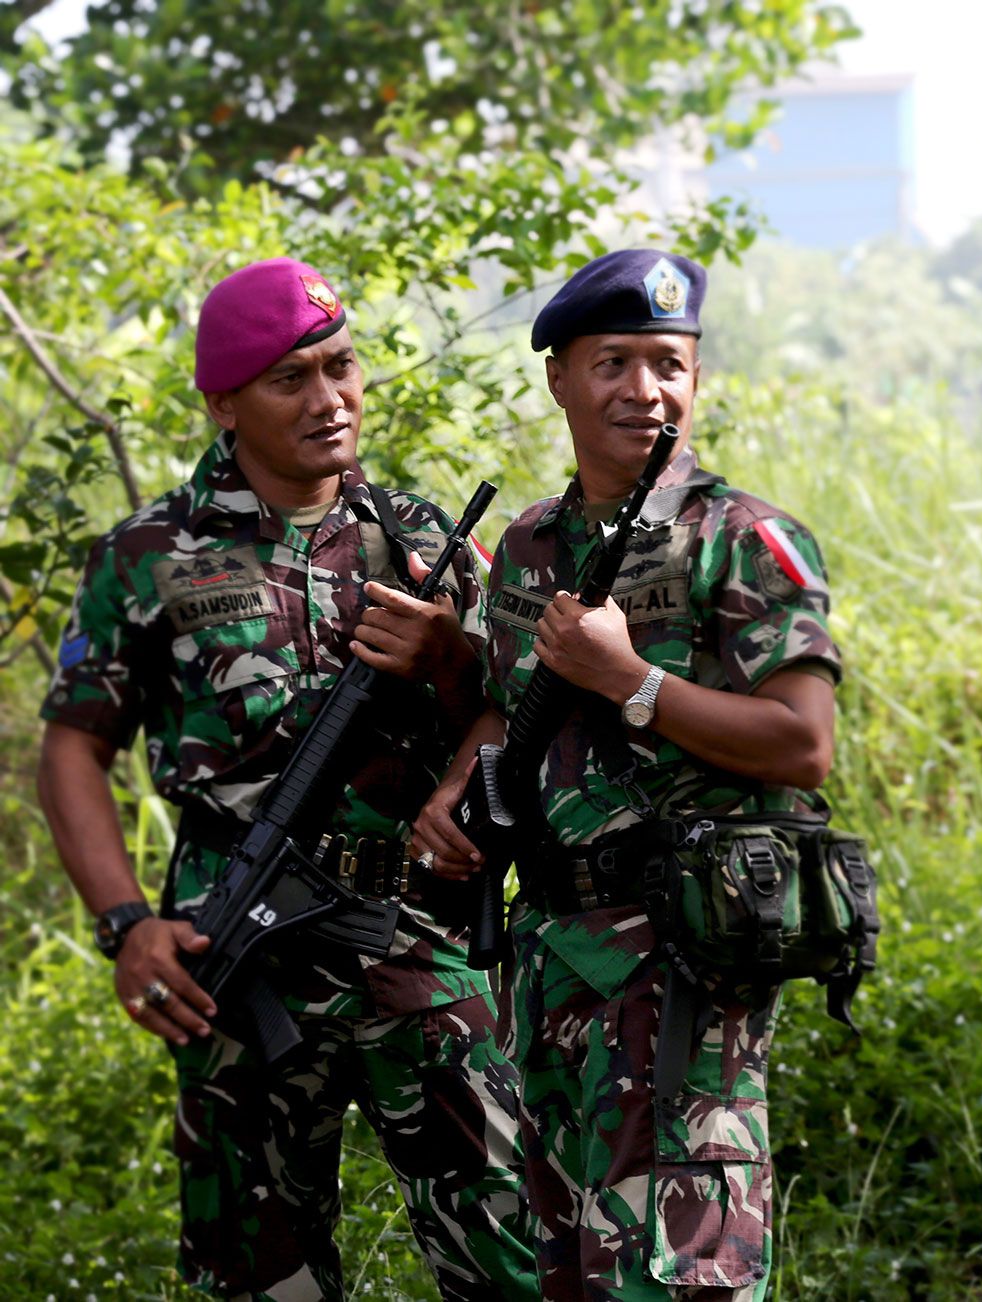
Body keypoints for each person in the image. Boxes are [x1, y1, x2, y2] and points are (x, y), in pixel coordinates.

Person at [37, 258, 539, 1300]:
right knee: (261, 1275)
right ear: (222, 403)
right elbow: (74, 748)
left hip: (416, 938)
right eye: (289, 380)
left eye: (341, 366)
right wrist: (126, 924)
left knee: (509, 1248)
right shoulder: (149, 555)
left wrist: (448, 654)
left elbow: (509, 711)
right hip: (237, 947)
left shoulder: (420, 540)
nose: (329, 400)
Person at [411, 248, 842, 1300]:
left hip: (683, 960)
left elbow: (802, 742)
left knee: (684, 1271)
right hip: (551, 966)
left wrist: (632, 681)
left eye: (667, 364)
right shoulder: (526, 549)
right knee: (569, 1268)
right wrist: (453, 795)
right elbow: (509, 710)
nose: (643, 391)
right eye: (613, 363)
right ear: (559, 377)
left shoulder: (741, 539)